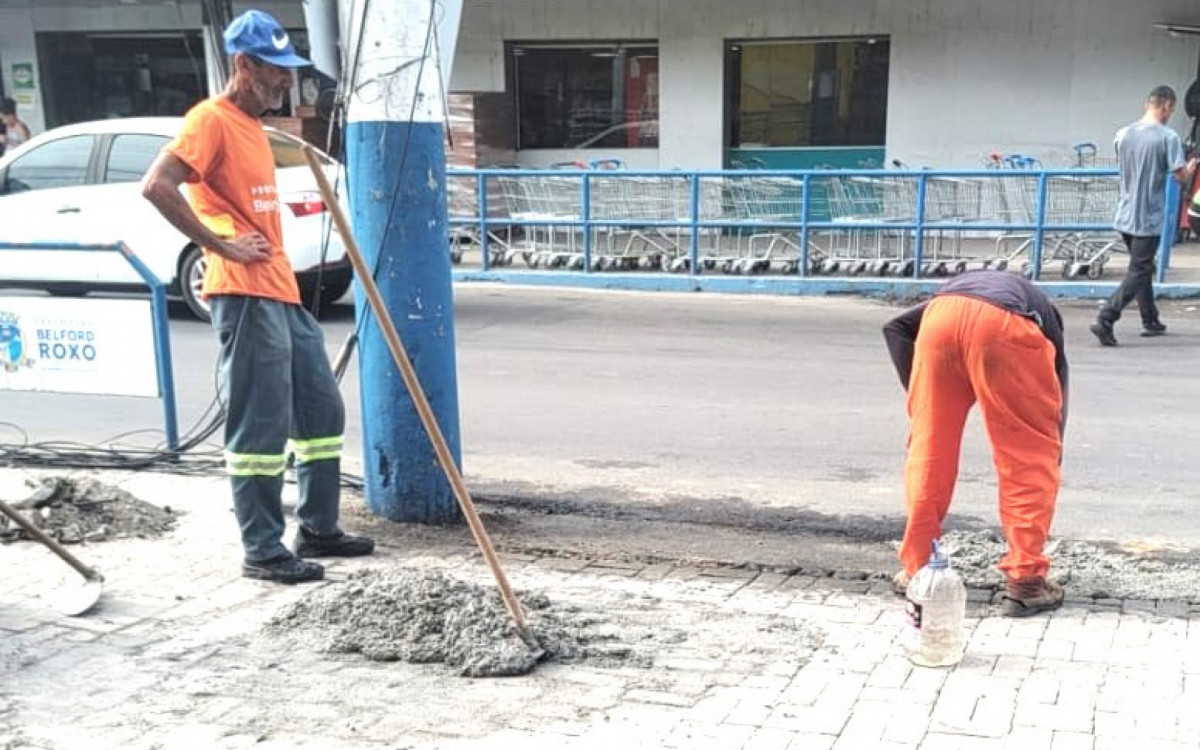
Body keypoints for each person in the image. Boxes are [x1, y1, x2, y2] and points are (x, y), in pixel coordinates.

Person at [141, 9, 372, 584]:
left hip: (280, 290)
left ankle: (318, 527)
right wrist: (220, 243)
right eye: (275, 72)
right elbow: (158, 185)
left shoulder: (255, 127)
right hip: (243, 293)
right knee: (260, 427)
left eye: (289, 71)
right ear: (243, 65)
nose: (285, 82)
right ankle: (262, 549)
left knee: (321, 411)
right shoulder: (211, 120)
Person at [883, 270, 1069, 617]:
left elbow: (895, 330)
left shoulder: (931, 306)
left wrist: (924, 401)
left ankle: (917, 570)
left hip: (939, 321)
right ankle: (1026, 581)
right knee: (1027, 457)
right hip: (1007, 327)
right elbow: (1054, 406)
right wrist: (1050, 443)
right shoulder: (1045, 319)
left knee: (929, 450)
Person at [1091, 85, 1198, 346]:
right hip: (1148, 216)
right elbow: (1179, 176)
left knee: (1141, 267)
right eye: (1170, 110)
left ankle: (1150, 319)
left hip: (1124, 213)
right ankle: (1107, 316)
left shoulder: (1122, 134)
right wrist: (1191, 167)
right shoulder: (1168, 138)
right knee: (1140, 270)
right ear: (1166, 107)